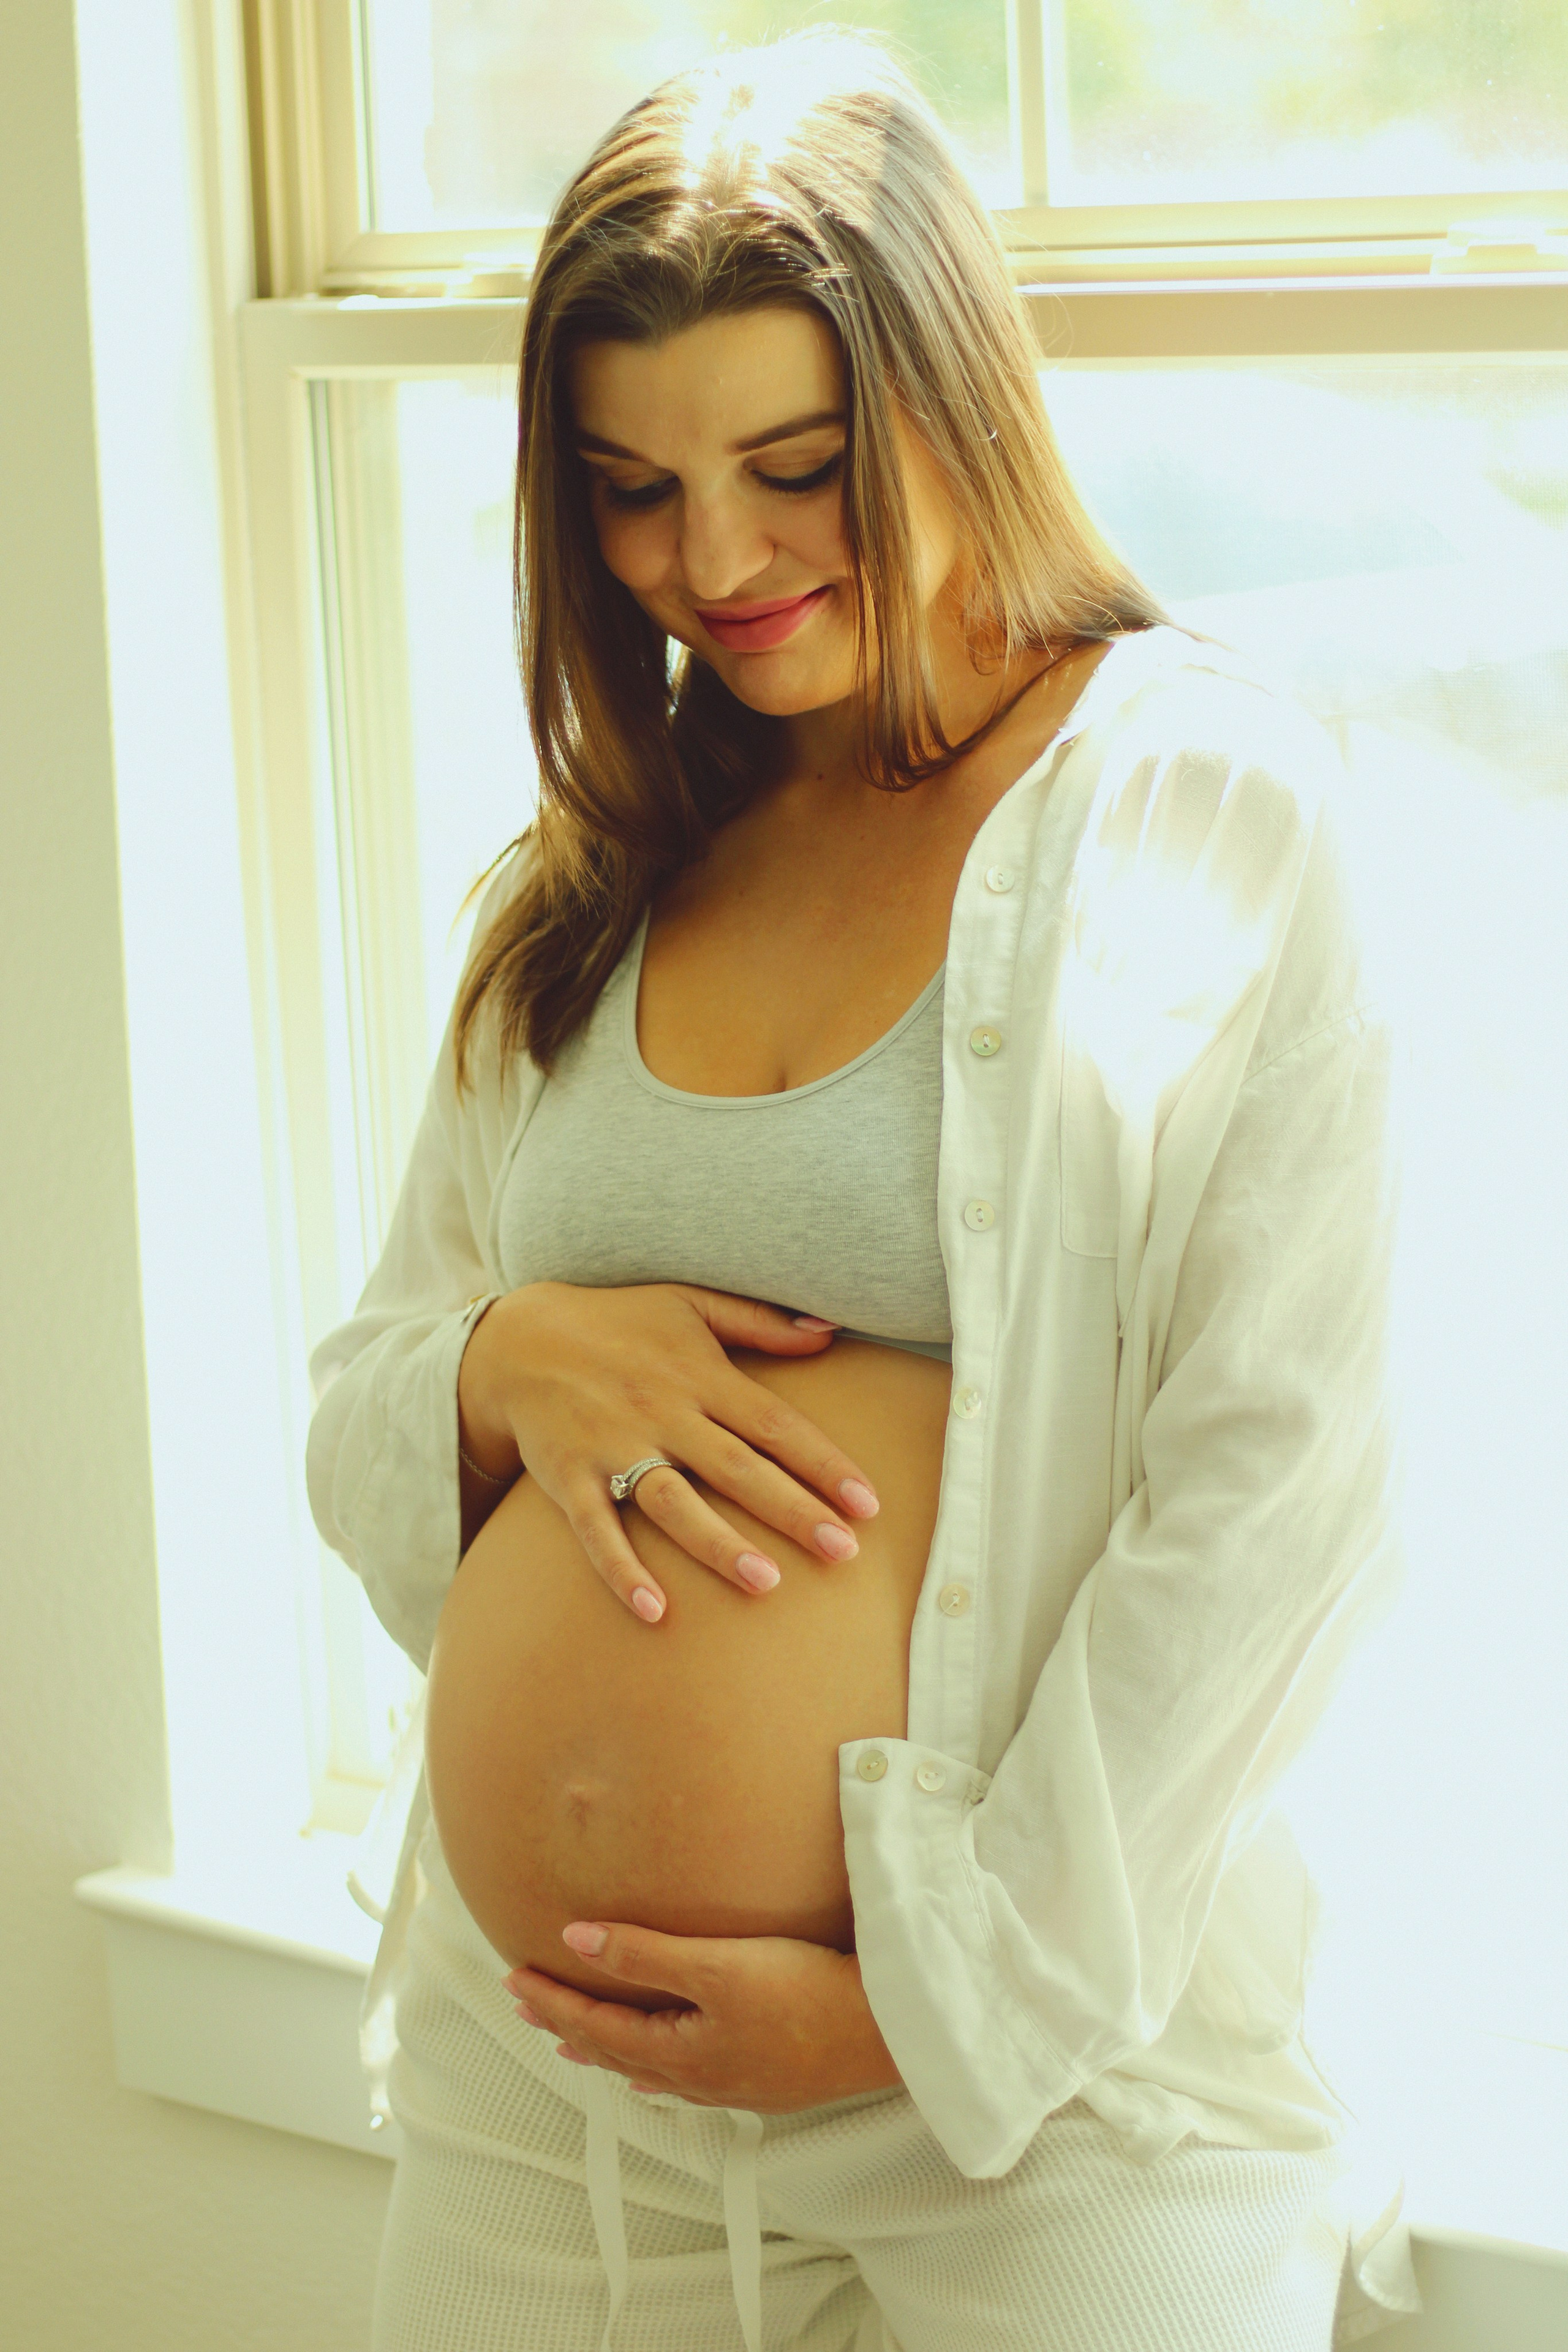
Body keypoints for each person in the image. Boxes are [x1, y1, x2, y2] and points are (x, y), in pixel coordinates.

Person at [307, 30, 1421, 2352]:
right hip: (550, 2098)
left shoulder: (1209, 816)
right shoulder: (593, 874)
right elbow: (359, 1413)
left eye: (791, 468)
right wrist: (506, 1363)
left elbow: (1282, 1492)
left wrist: (946, 2001)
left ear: (951, 403)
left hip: (1046, 2119)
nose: (709, 565)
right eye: (626, 489)